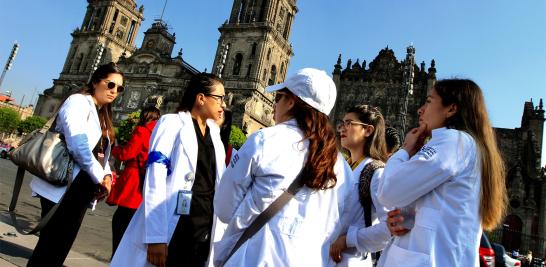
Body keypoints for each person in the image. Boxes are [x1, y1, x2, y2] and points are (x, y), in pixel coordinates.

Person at [213, 68, 363, 266]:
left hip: (253, 258)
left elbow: (224, 208)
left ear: (291, 101)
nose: (274, 104)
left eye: (278, 98)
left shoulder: (264, 140)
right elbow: (342, 225)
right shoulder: (342, 168)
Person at [377, 79, 508, 266]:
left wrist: (405, 150)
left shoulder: (452, 141)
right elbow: (437, 207)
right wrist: (404, 217)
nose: (420, 110)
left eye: (429, 101)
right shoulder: (464, 146)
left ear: (451, 109)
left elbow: (388, 190)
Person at [110, 73, 227, 267]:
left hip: (203, 229)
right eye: (220, 98)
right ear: (201, 98)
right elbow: (155, 177)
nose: (223, 104)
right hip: (173, 226)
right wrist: (155, 236)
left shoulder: (215, 135)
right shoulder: (172, 123)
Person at [27, 62, 123, 267]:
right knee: (49, 250)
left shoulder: (101, 113)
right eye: (110, 84)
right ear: (96, 81)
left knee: (58, 250)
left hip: (79, 190)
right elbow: (78, 146)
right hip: (63, 185)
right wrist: (100, 176)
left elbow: (99, 152)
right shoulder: (78, 102)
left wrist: (106, 174)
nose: (114, 91)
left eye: (119, 88)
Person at [329, 105, 391, 266]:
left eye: (349, 123)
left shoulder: (376, 172)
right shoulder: (343, 166)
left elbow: (389, 229)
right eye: (342, 123)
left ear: (368, 130)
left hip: (351, 259)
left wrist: (348, 240)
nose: (342, 128)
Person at [107, 106, 161, 257]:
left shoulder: (142, 131)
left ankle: (117, 259)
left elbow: (127, 154)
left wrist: (114, 149)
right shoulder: (158, 134)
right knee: (131, 224)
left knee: (120, 222)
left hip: (134, 180)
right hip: (146, 180)